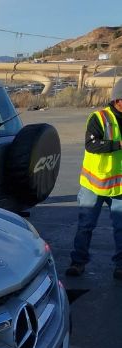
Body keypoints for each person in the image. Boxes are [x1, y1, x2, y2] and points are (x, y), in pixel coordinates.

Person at [66, 79, 122, 279]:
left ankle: (120, 266)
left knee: (121, 228)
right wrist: (118, 145)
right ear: (118, 100)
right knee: (86, 226)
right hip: (94, 184)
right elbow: (91, 145)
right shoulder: (99, 118)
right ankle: (78, 262)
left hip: (119, 187)